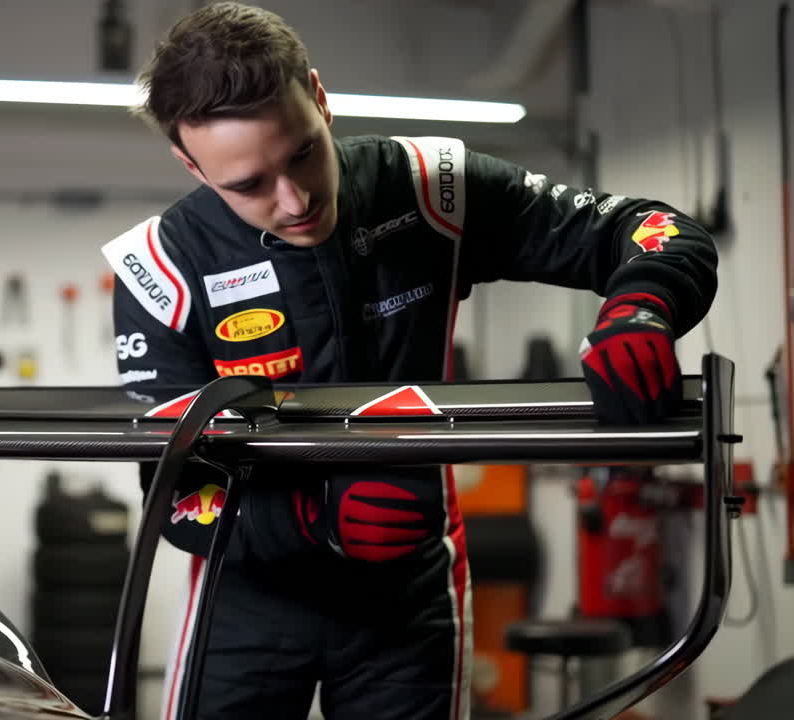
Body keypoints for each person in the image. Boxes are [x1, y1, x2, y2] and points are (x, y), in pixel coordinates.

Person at [101, 3, 718, 719]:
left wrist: (643, 308)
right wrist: (315, 518)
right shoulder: (160, 266)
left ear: (320, 97)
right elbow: (173, 494)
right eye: (249, 185)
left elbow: (656, 231)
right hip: (245, 600)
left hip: (409, 597)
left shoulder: (430, 188)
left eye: (302, 152)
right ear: (190, 164)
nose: (295, 200)